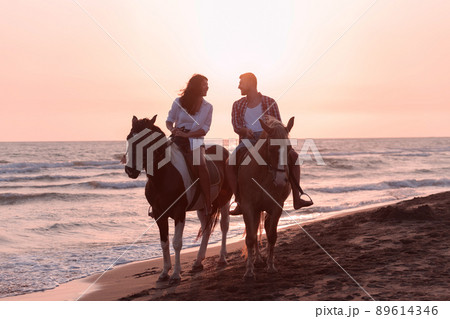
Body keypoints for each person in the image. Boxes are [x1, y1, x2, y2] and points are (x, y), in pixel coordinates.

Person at [226, 72, 312, 215]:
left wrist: (271, 136)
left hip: (269, 139)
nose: (239, 86)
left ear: (250, 83)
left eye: (241, 83)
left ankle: (297, 198)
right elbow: (236, 125)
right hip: (248, 140)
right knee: (229, 164)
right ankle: (239, 200)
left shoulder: (269, 102)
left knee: (294, 158)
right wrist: (245, 131)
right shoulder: (237, 105)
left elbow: (278, 125)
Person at [166, 74, 213, 214]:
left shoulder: (208, 107)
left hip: (195, 140)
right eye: (204, 84)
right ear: (197, 86)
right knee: (159, 161)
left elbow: (204, 129)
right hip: (177, 138)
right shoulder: (178, 102)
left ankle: (208, 202)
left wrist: (188, 135)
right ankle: (158, 201)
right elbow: (169, 120)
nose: (207, 87)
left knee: (201, 166)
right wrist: (172, 129)